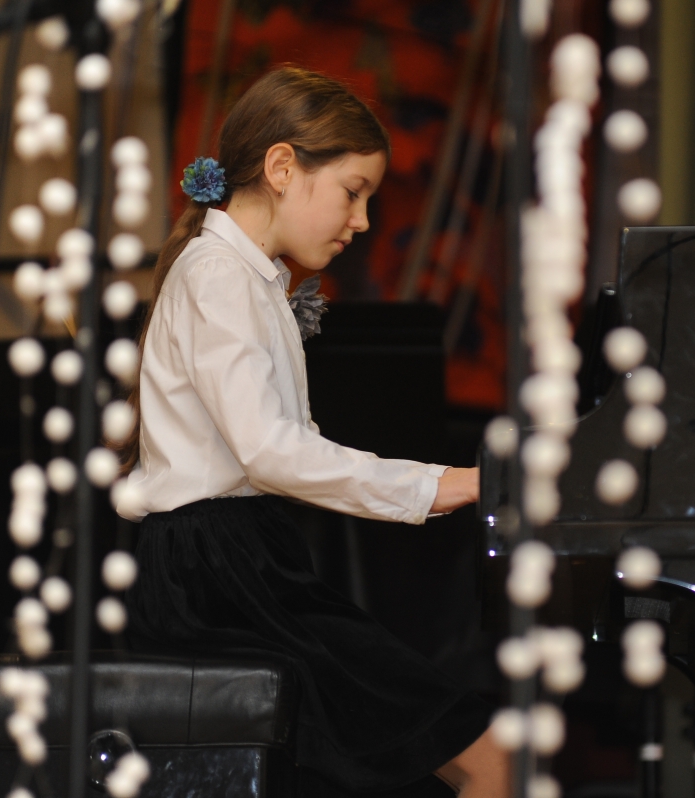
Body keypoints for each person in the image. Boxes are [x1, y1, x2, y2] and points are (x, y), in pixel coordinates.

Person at [113, 67, 506, 798]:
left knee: (458, 756)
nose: (363, 221)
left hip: (240, 561)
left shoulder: (249, 276)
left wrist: (435, 487)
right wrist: (446, 485)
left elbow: (288, 446)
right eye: (353, 192)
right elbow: (273, 453)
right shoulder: (218, 275)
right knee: (482, 758)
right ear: (283, 168)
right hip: (216, 578)